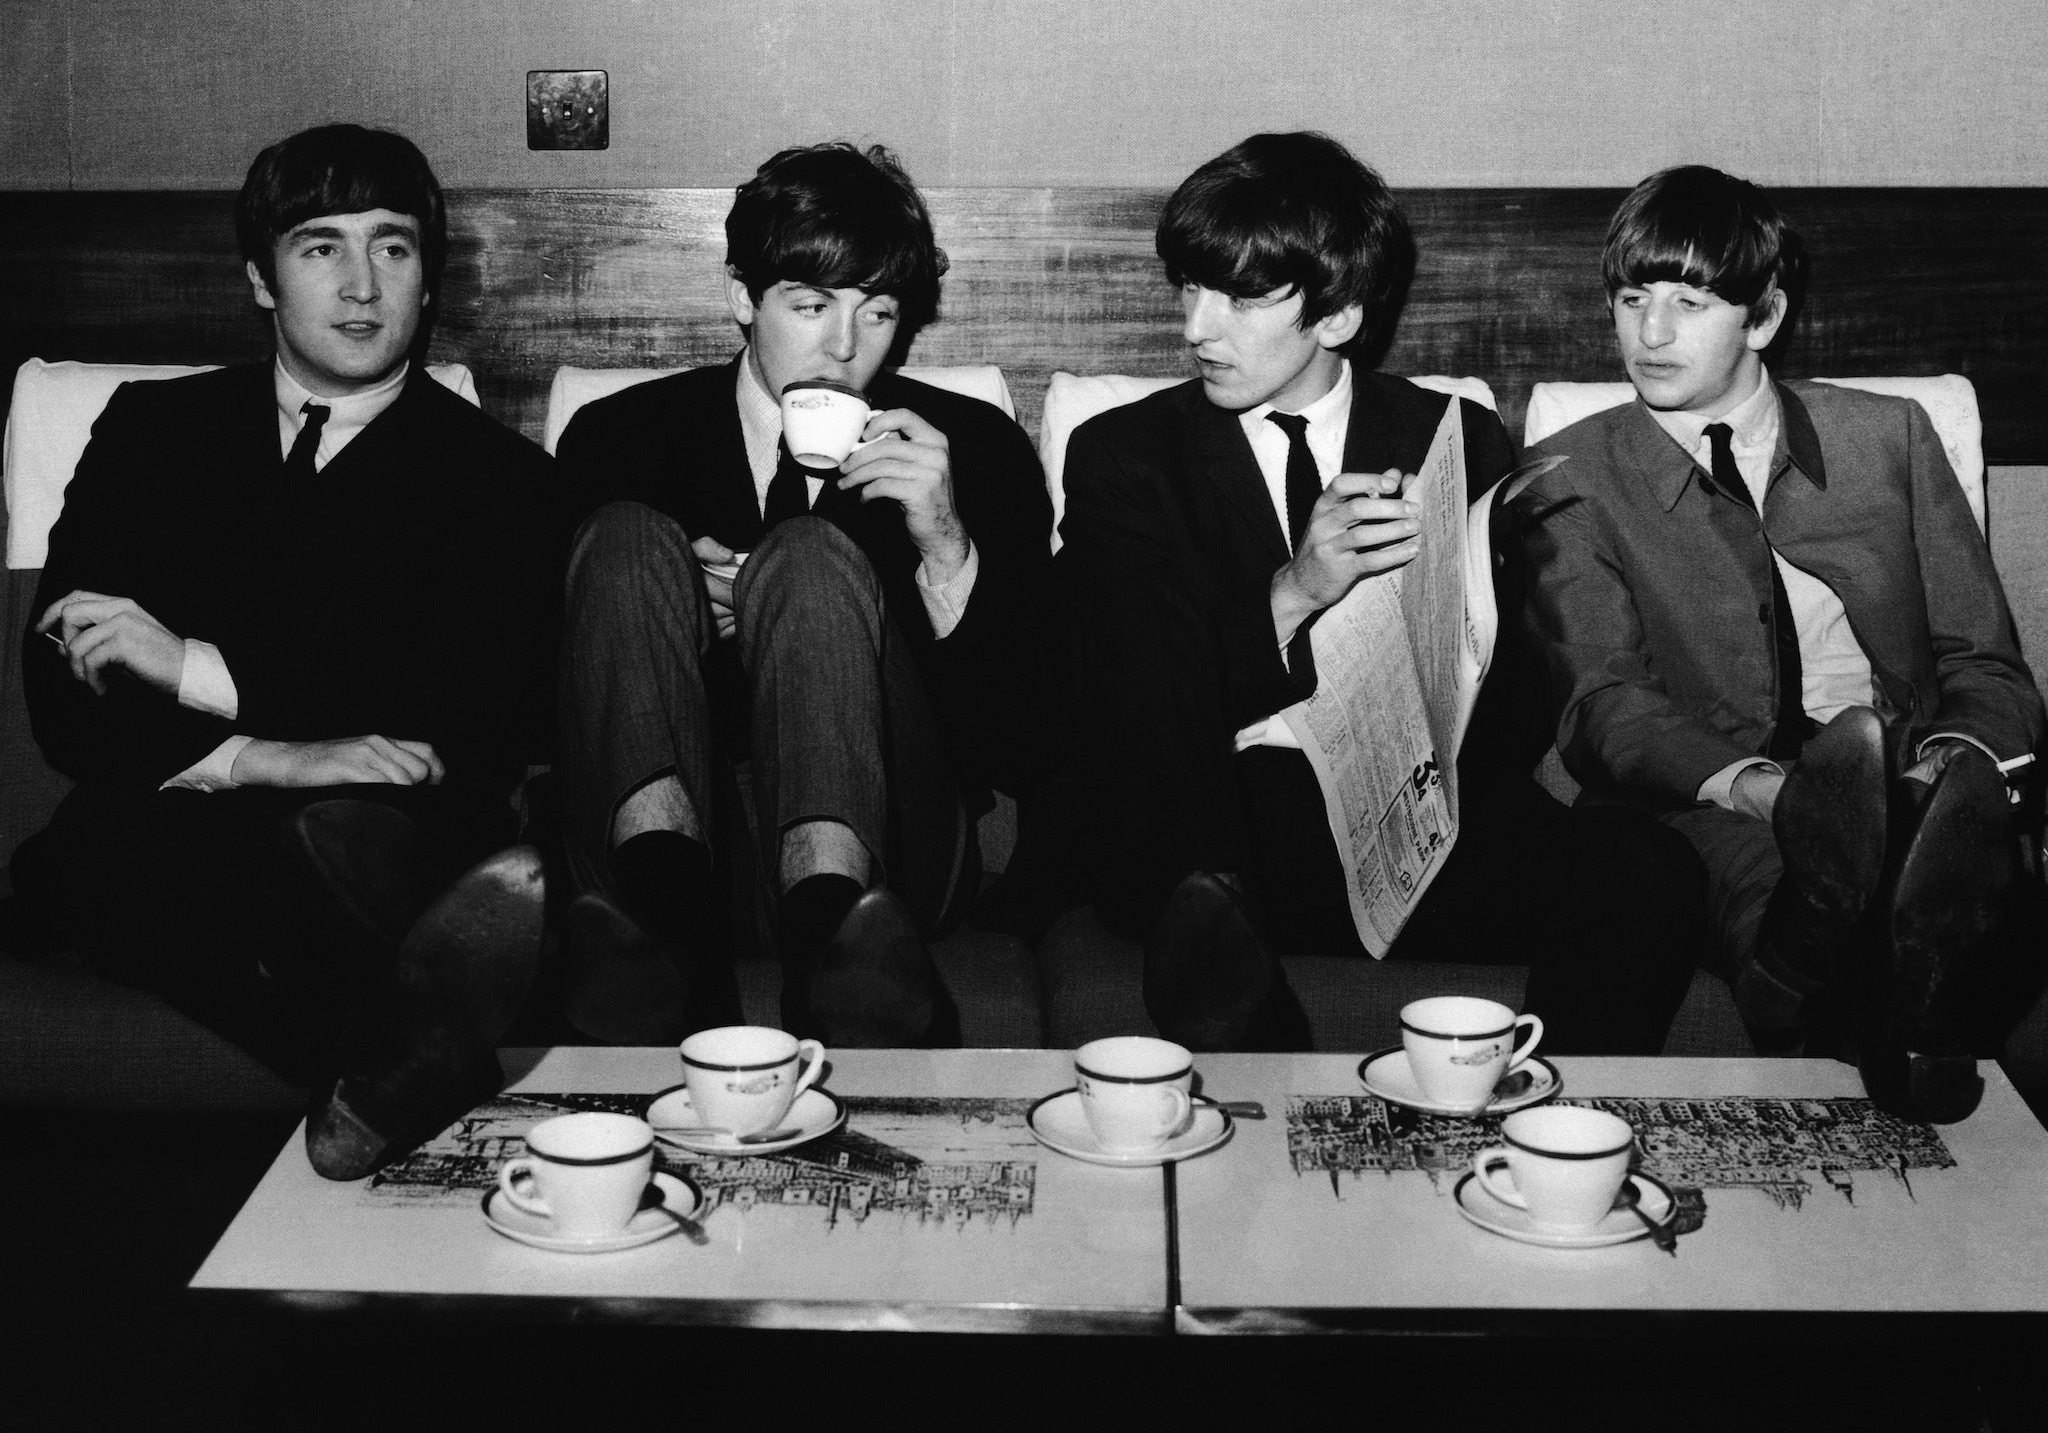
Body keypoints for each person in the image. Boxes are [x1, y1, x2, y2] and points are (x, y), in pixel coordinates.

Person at [1057, 131, 1706, 1054]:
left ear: (1339, 317)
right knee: (1208, 832)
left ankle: (1550, 1130)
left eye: (1240, 298)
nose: (1196, 327)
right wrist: (1295, 590)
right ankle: (1245, 1018)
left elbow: (1522, 713)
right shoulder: (1126, 455)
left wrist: (1457, 643)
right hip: (1222, 835)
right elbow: (1121, 697)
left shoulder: (1453, 438)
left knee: (1647, 867)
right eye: (1189, 288)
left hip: (1413, 827)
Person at [20, 123, 559, 1178]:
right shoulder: (150, 430)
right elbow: (62, 697)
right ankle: (402, 1059)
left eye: (393, 247)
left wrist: (191, 668)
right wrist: (268, 755)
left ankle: (382, 1050)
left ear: (426, 274)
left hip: (387, 831)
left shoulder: (501, 481)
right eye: (321, 248)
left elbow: (472, 711)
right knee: (112, 841)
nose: (363, 285)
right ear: (261, 279)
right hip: (180, 819)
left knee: (338, 844)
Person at [1522, 164, 2045, 1120]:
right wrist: (1762, 789)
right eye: (1632, 299)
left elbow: (1985, 663)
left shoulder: (1889, 438)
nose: (1650, 333)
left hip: (1902, 779)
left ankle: (1814, 972)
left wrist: (1946, 770)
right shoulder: (1570, 474)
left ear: (1763, 317)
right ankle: (1861, 992)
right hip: (1704, 794)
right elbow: (1601, 706)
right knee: (1793, 873)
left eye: (1689, 303)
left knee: (1939, 868)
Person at [553, 141, 1050, 1048]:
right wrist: (681, 625)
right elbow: (541, 709)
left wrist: (943, 544)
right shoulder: (619, 437)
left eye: (878, 313)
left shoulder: (969, 449)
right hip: (667, 847)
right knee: (627, 538)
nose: (845, 348)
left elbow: (1023, 745)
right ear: (742, 297)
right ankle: (671, 948)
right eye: (811, 305)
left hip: (890, 864)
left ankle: (831, 954)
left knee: (812, 557)